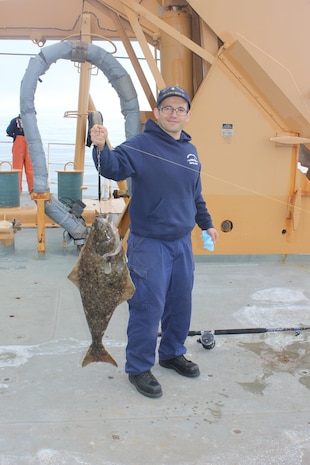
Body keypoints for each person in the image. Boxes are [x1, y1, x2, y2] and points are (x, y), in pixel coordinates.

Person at [90, 85, 218, 398]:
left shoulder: (191, 150)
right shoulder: (141, 144)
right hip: (150, 245)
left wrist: (206, 224)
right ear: (158, 113)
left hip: (181, 243)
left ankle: (172, 353)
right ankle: (138, 367)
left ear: (188, 115)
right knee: (147, 307)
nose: (174, 114)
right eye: (168, 108)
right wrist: (100, 146)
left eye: (180, 109)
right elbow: (112, 166)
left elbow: (195, 194)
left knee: (180, 302)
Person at [6, 115, 33, 193]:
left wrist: (14, 135)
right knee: (30, 168)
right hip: (29, 145)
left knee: (17, 169)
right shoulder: (31, 121)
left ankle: (17, 190)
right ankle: (32, 189)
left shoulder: (14, 120)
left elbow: (9, 131)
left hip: (18, 145)